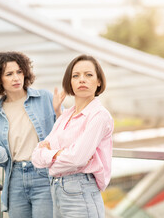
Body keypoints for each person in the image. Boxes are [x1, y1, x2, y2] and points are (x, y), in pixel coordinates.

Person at [0, 51, 63, 218]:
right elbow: (2, 157)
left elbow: (65, 132)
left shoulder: (45, 98)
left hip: (43, 175)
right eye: (9, 74)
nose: (16, 77)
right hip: (15, 178)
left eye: (19, 72)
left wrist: (59, 112)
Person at [31, 55, 114, 218]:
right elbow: (35, 156)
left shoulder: (99, 116)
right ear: (70, 82)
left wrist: (51, 155)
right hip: (57, 190)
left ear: (98, 81)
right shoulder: (65, 115)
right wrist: (60, 154)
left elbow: (77, 159)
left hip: (81, 192)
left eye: (88, 75)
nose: (81, 80)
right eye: (75, 76)